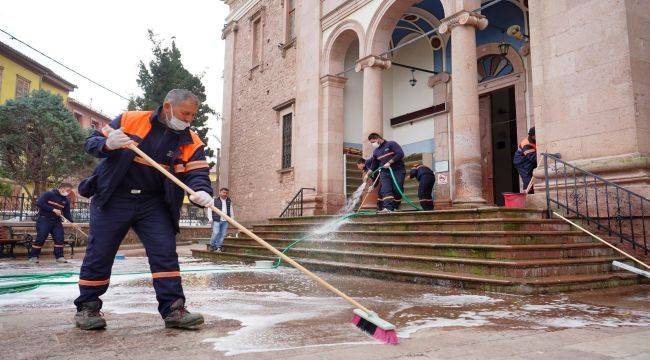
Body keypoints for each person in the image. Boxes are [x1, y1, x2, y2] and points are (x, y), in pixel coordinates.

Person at [74, 89, 214, 331]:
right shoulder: (130, 120)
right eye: (185, 113)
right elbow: (91, 143)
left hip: (155, 202)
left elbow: (198, 173)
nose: (189, 119)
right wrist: (108, 144)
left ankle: (173, 309)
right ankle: (88, 307)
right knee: (101, 252)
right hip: (114, 197)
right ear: (168, 106)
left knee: (165, 253)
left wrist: (202, 191)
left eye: (193, 115)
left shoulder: (191, 140)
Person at [29, 183, 74, 264]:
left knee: (59, 238)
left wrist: (72, 222)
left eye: (70, 191)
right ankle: (33, 256)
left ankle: (59, 257)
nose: (69, 192)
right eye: (68, 190)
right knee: (41, 238)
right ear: (61, 188)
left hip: (56, 221)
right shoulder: (49, 194)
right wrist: (53, 209)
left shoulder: (66, 200)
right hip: (44, 219)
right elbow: (39, 203)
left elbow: (67, 213)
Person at [365, 133, 405, 213]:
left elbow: (400, 154)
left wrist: (390, 162)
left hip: (398, 170)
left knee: (397, 189)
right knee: (386, 189)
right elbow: (374, 163)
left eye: (373, 142)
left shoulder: (391, 144)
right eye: (371, 143)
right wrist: (368, 173)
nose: (373, 144)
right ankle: (388, 208)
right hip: (385, 172)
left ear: (378, 139)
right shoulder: (376, 151)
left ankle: (395, 207)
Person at [206, 187, 234, 252]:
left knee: (222, 234)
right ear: (220, 192)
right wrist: (210, 218)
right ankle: (212, 245)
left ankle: (218, 246)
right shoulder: (214, 200)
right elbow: (209, 209)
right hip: (216, 219)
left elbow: (231, 210)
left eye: (226, 193)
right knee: (216, 233)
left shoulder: (229, 200)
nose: (225, 194)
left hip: (225, 221)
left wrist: (232, 219)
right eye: (223, 192)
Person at [513, 126, 537, 193]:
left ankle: (529, 192)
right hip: (521, 162)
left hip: (526, 160)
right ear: (532, 136)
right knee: (527, 177)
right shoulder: (526, 144)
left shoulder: (533, 141)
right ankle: (528, 194)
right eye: (535, 135)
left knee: (529, 176)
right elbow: (533, 157)